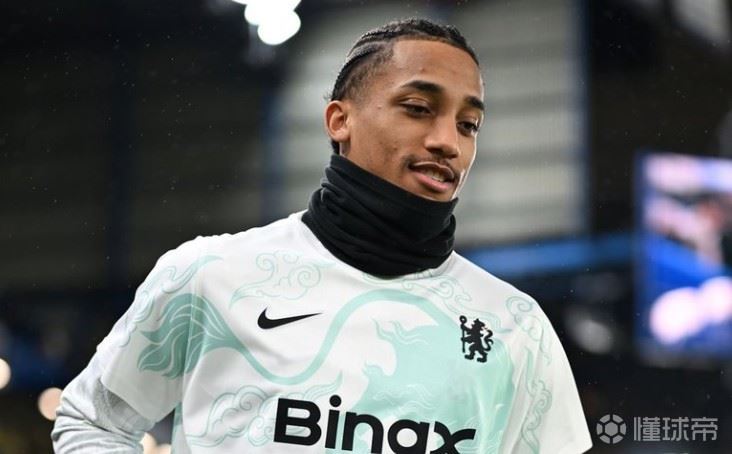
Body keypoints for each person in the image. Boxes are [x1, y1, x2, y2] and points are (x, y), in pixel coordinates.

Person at [52, 18, 593, 453]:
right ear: (340, 120)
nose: (447, 141)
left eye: (468, 124)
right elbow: (92, 422)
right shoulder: (211, 276)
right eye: (418, 109)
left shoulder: (515, 326)